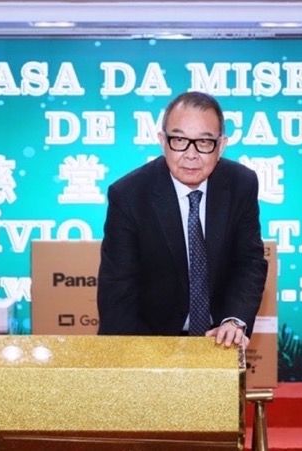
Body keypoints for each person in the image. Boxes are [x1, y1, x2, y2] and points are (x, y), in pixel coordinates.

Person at [97, 91, 267, 348]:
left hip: (218, 337)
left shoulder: (241, 184)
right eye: (179, 140)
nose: (191, 154)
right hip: (150, 340)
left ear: (221, 145)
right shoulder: (129, 195)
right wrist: (131, 360)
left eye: (204, 142)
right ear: (162, 141)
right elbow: (118, 291)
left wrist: (234, 320)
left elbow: (249, 262)